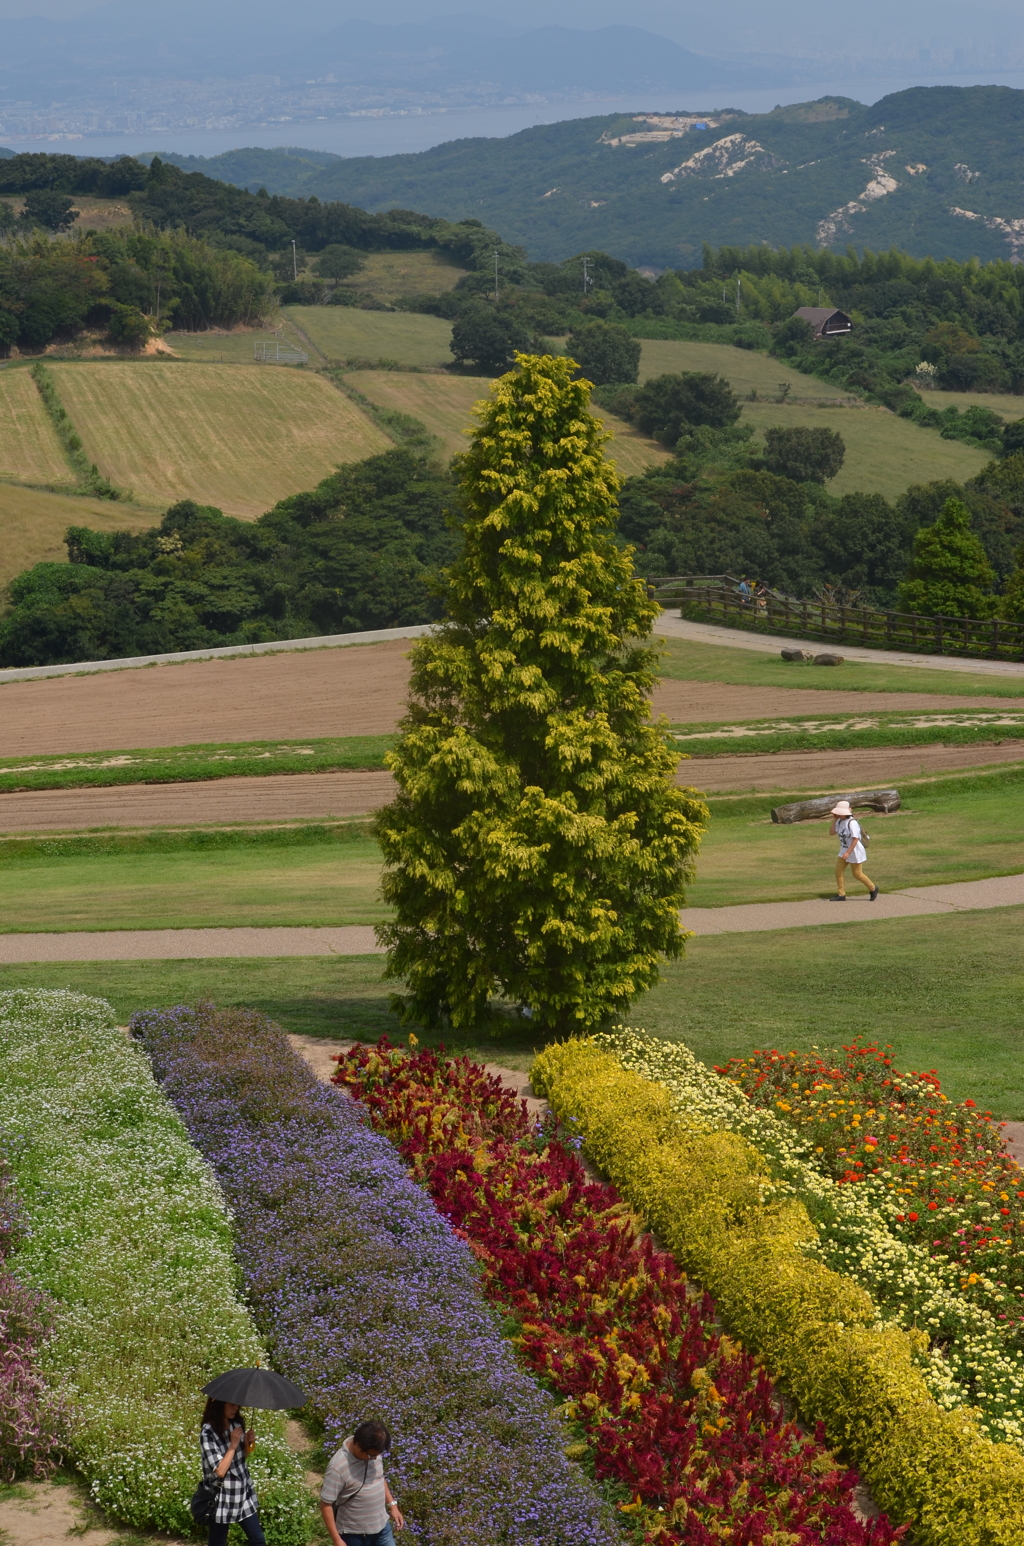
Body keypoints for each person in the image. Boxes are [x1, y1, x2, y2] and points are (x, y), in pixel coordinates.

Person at [320, 1420, 404, 1546]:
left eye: (378, 1455)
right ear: (358, 1445)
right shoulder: (338, 1467)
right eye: (372, 1455)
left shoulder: (373, 1452)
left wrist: (392, 1505)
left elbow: (380, 1478)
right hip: (353, 1534)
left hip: (381, 1527)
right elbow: (326, 1504)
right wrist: (337, 1540)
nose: (375, 1458)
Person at [199, 1398, 264, 1546]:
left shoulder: (236, 1424)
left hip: (242, 1491)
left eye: (237, 1404)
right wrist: (233, 1445)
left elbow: (242, 1457)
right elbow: (220, 1471)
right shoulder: (208, 1433)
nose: (236, 1408)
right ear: (219, 1406)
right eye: (231, 1405)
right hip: (221, 1496)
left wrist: (247, 1443)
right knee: (218, 1543)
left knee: (258, 1540)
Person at [828, 799, 879, 902]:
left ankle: (873, 888)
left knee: (857, 874)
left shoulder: (852, 823)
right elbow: (832, 832)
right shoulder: (839, 821)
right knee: (838, 872)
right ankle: (841, 894)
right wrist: (834, 820)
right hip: (844, 851)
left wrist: (848, 853)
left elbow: (856, 839)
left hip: (854, 852)